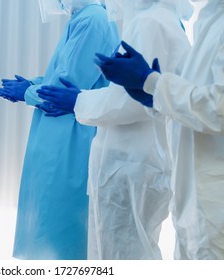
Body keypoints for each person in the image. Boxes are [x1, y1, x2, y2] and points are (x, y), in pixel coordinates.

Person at [95, 0, 224, 259]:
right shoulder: (217, 12)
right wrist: (152, 97)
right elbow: (200, 100)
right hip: (201, 200)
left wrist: (153, 83)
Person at [37, 0, 192, 260]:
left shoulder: (150, 23)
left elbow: (131, 99)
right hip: (139, 163)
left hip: (131, 166)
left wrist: (78, 101)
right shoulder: (161, 19)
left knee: (122, 257)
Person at [0, 0, 119, 259]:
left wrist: (27, 92)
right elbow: (60, 75)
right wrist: (32, 83)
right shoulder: (83, 18)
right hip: (57, 134)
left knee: (60, 230)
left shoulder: (93, 19)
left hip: (70, 137)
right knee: (46, 220)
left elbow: (65, 89)